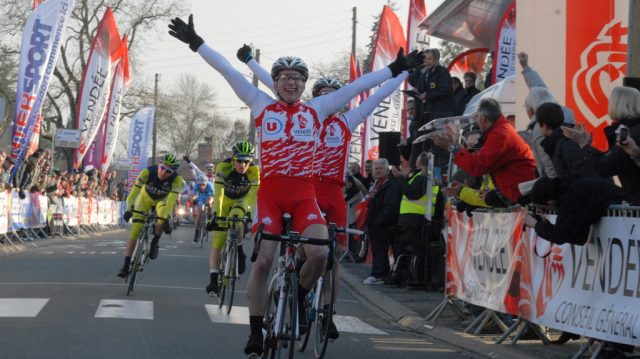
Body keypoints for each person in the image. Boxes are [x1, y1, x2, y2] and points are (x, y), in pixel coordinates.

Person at [168, 15, 423, 356]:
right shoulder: (260, 104)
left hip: (306, 196)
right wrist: (197, 43)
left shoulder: (318, 110)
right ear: (274, 82)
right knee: (264, 260)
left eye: (297, 78)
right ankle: (256, 330)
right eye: (284, 78)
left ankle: (301, 293)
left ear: (304, 85)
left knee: (320, 254)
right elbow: (227, 71)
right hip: (271, 194)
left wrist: (395, 69)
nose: (290, 83)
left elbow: (357, 91)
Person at [239, 43, 411, 339]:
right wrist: (251, 63)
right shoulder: (305, 112)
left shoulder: (346, 122)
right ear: (314, 96)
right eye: (323, 96)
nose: (329, 100)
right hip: (305, 190)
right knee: (298, 249)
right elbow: (278, 84)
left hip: (332, 194)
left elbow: (376, 94)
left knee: (332, 257)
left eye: (334, 97)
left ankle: (326, 312)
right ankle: (286, 288)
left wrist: (401, 72)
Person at [433, 98, 537, 206]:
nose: (476, 121)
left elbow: (478, 166)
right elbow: (477, 160)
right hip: (517, 191)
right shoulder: (500, 130)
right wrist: (455, 144)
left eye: (477, 117)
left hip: (520, 193)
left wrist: (451, 147)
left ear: (483, 119)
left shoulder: (501, 134)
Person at [562, 86, 640, 204]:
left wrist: (583, 144)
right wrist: (587, 146)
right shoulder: (631, 130)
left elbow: (603, 167)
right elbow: (609, 159)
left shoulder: (630, 133)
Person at [205, 141, 259, 296]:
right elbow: (219, 194)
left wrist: (250, 214)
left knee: (238, 217)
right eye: (239, 160)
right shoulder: (223, 167)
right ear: (233, 159)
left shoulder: (255, 171)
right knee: (219, 239)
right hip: (225, 200)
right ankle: (214, 279)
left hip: (242, 200)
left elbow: (253, 196)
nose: (243, 165)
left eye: (246, 161)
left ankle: (240, 248)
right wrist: (217, 215)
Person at [117, 154, 184, 278]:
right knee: (135, 231)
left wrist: (164, 217)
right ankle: (125, 265)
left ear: (173, 172)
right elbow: (132, 194)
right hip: (145, 198)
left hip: (162, 201)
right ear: (159, 164)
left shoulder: (177, 180)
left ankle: (155, 241)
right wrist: (129, 209)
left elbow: (171, 202)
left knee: (162, 216)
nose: (163, 172)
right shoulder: (147, 172)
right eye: (162, 167)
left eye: (168, 171)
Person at [363, 158, 402, 285]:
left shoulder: (391, 183)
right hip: (376, 222)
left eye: (380, 168)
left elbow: (391, 205)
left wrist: (380, 220)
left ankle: (379, 275)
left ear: (387, 169)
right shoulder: (377, 183)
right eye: (376, 168)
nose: (378, 171)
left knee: (380, 249)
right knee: (377, 249)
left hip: (384, 224)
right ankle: (379, 273)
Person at [407, 48, 454, 140]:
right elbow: (412, 81)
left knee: (436, 140)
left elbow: (445, 90)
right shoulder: (423, 72)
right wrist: (416, 68)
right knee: (423, 141)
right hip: (423, 114)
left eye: (429, 59)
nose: (426, 61)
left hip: (437, 113)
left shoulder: (442, 72)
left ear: (436, 60)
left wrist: (427, 96)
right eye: (425, 59)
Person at [535, 102, 592, 176]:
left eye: (539, 125)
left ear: (544, 126)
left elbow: (579, 174)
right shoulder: (562, 139)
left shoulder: (564, 143)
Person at [192, 175, 214, 243]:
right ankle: (196, 232)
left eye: (203, 185)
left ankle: (210, 216)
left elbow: (212, 196)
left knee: (209, 203)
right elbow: (194, 195)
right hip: (201, 197)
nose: (201, 186)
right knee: (199, 215)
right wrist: (193, 199)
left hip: (209, 196)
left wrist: (209, 202)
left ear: (206, 183)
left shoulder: (210, 185)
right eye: (200, 185)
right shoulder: (196, 186)